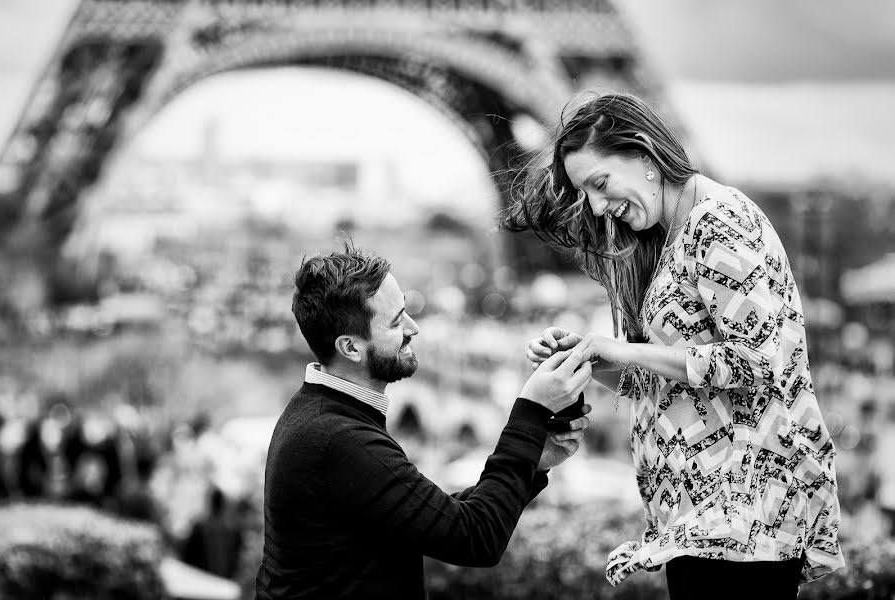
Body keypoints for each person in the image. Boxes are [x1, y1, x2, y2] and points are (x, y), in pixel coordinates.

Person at [504, 92, 845, 599]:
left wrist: (622, 348)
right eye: (587, 193)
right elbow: (681, 375)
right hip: (708, 521)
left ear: (644, 155)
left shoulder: (718, 221)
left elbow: (755, 362)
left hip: (743, 521)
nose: (598, 207)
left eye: (600, 184)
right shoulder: (675, 235)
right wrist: (592, 356)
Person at [255, 242, 596, 599]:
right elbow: (474, 537)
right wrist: (531, 409)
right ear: (350, 348)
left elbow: (435, 517)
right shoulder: (337, 437)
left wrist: (532, 459)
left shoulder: (323, 416)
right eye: (397, 320)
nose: (413, 328)